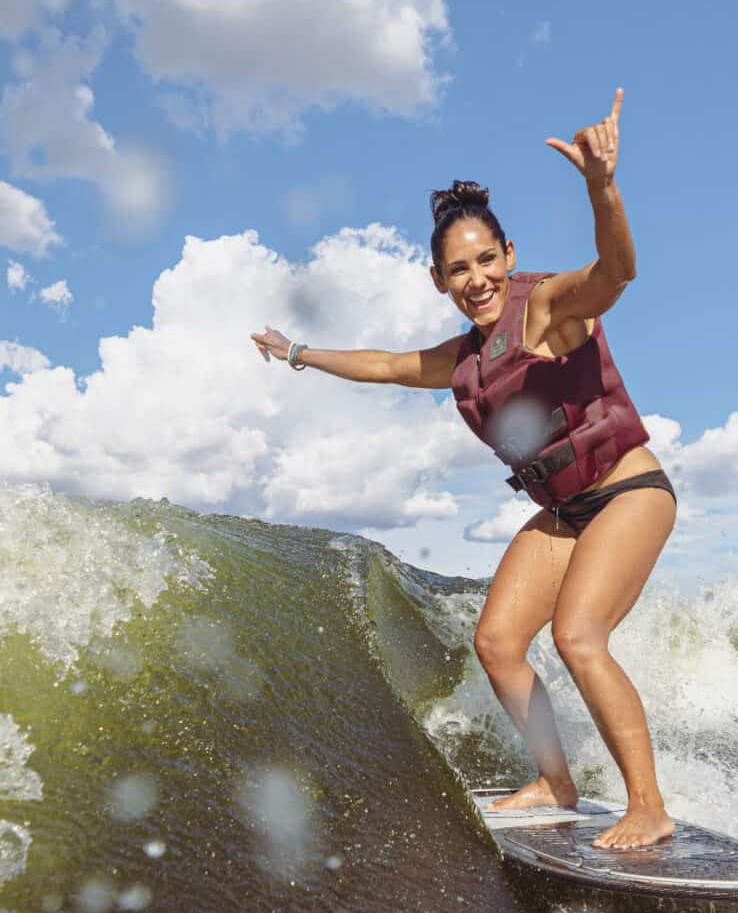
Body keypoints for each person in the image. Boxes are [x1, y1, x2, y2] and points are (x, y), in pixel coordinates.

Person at [249, 89, 677, 849]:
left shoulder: (546, 307)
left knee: (579, 636)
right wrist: (297, 353)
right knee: (498, 642)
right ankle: (556, 779)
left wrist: (601, 186)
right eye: (458, 269)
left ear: (508, 257)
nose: (475, 278)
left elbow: (616, 271)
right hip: (564, 514)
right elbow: (384, 364)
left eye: (486, 260)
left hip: (627, 493)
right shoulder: (464, 358)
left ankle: (648, 804)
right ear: (438, 280)